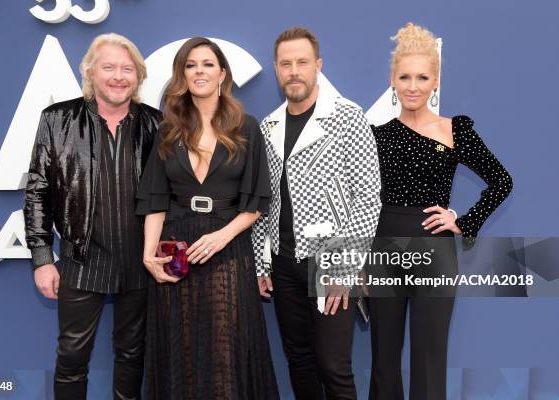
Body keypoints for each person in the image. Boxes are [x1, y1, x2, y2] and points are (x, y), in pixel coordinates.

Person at [367, 23, 513, 400]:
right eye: (404, 76)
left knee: (430, 359)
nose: (412, 85)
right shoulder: (376, 135)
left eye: (422, 77)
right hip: (382, 249)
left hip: (434, 251)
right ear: (392, 81)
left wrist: (462, 221)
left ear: (436, 82)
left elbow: (501, 181)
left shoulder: (456, 129)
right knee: (383, 360)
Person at [136, 37, 279, 400]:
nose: (199, 70)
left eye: (207, 64)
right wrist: (149, 255)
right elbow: (155, 199)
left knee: (223, 349)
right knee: (181, 349)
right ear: (181, 75)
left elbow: (257, 200)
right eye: (191, 65)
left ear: (222, 75)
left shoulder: (246, 126)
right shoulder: (168, 130)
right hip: (177, 248)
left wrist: (222, 236)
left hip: (227, 247)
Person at [24, 33, 162, 399]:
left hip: (141, 263)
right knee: (72, 357)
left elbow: (170, 197)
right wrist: (41, 258)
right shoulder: (57, 119)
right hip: (82, 261)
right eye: (109, 67)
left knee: (133, 354)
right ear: (90, 72)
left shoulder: (156, 124)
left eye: (127, 68)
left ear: (139, 76)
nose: (118, 76)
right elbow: (37, 190)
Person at [253, 27, 382, 400]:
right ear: (276, 69)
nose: (294, 71)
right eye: (286, 64)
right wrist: (262, 264)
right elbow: (266, 200)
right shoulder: (269, 125)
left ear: (318, 66)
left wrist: (345, 266)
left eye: (302, 62)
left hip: (329, 261)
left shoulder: (347, 116)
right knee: (299, 359)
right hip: (283, 263)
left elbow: (367, 195)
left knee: (333, 366)